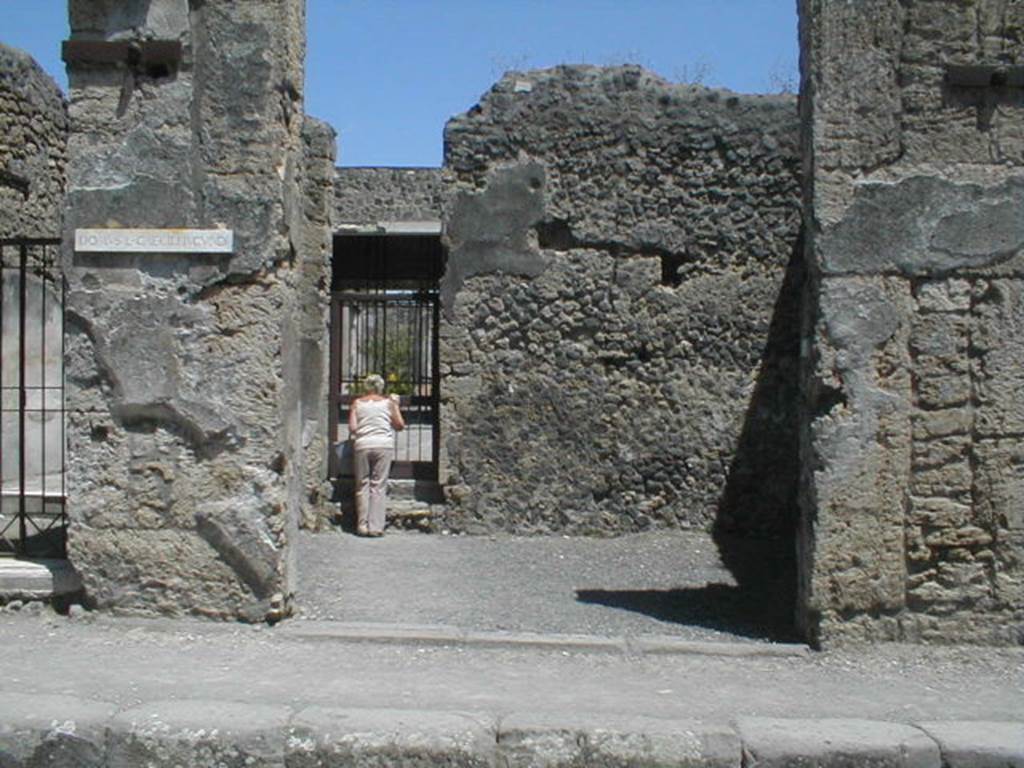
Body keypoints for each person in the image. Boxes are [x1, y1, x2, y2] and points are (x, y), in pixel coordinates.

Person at [348, 373, 405, 537]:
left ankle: (362, 525)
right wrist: (396, 406)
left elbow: (352, 428)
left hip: (363, 445)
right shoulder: (388, 403)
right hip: (383, 445)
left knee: (362, 485)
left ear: (366, 387)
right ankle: (376, 527)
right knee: (378, 485)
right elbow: (400, 425)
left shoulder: (357, 403)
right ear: (381, 387)